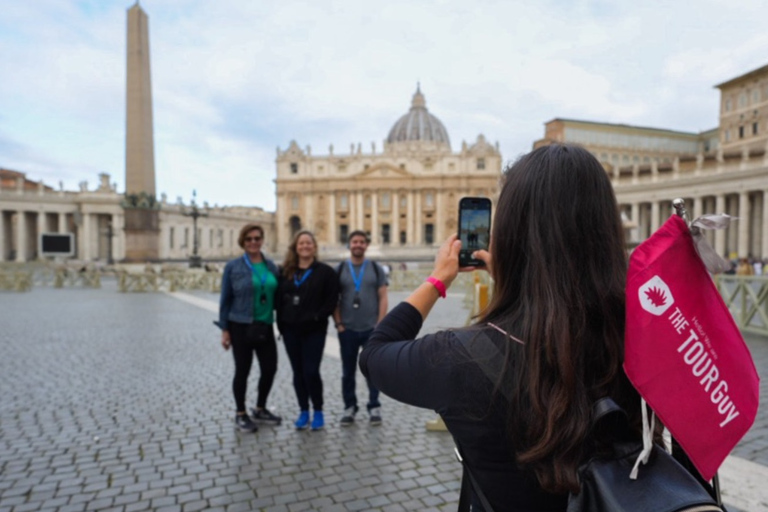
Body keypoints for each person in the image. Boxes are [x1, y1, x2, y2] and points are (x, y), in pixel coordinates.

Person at [360, 144, 643, 511]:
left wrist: (438, 280)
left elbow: (376, 351)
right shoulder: (646, 338)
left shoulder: (458, 358)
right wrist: (521, 281)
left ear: (509, 235)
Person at [216, 223, 282, 432]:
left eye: (257, 238)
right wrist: (225, 330)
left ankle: (260, 407)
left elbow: (280, 295)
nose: (253, 242)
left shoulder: (271, 266)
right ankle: (240, 413)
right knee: (242, 371)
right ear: (243, 242)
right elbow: (225, 299)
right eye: (249, 239)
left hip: (265, 325)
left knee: (269, 369)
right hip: (240, 325)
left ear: (262, 240)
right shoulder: (233, 267)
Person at [276, 230, 339, 431]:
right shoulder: (285, 272)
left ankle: (318, 410)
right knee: (298, 372)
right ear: (296, 247)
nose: (305, 246)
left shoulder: (325, 272)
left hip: (314, 329)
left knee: (311, 371)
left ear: (314, 247)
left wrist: (318, 316)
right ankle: (304, 410)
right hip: (290, 330)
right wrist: (282, 323)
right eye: (301, 243)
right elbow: (278, 299)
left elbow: (332, 299)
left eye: (308, 243)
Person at [332, 230, 388, 426]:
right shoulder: (339, 269)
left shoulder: (374, 268)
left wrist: (380, 324)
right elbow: (334, 299)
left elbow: (383, 296)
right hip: (347, 329)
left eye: (362, 242)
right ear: (349, 245)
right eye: (355, 242)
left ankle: (374, 405)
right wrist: (339, 324)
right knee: (347, 371)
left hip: (370, 329)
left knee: (372, 370)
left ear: (366, 245)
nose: (358, 245)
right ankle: (350, 407)